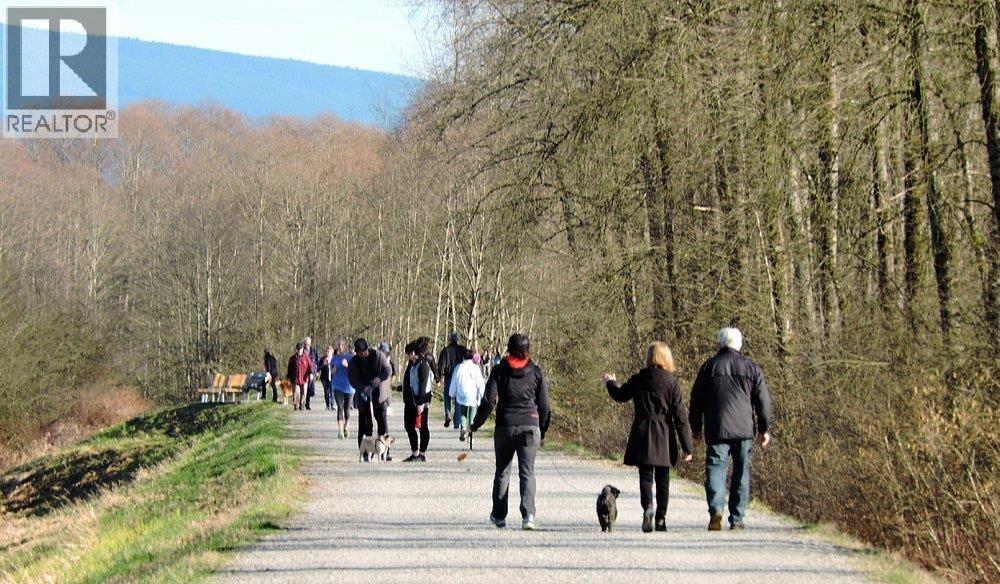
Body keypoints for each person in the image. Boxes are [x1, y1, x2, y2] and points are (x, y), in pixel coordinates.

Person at [603, 341, 694, 533]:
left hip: (643, 431)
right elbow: (680, 416)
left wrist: (611, 383)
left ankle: (648, 507)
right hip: (664, 433)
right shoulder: (671, 382)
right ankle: (660, 518)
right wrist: (687, 446)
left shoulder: (639, 379)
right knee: (663, 477)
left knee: (645, 475)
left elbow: (620, 395)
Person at [689, 327, 773, 531]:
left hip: (717, 428)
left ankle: (716, 510)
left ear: (720, 344)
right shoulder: (751, 367)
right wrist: (764, 429)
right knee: (741, 473)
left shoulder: (709, 366)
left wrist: (696, 429)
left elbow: (696, 399)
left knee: (715, 470)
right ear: (739, 345)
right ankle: (736, 519)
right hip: (744, 430)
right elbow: (763, 401)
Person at [470, 333, 551, 531]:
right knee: (527, 472)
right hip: (530, 426)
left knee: (502, 471)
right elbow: (544, 405)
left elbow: (488, 401)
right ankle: (528, 516)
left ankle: (499, 516)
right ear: (527, 350)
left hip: (505, 427)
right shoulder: (536, 372)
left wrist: (476, 424)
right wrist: (543, 430)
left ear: (509, 348)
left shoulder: (499, 370)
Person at [348, 338, 393, 460]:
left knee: (382, 422)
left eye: (365, 351)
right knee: (365, 424)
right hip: (364, 394)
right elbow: (352, 380)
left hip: (379, 394)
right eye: (360, 352)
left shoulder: (378, 355)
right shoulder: (353, 362)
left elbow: (388, 370)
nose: (363, 354)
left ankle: (385, 451)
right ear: (357, 352)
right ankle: (365, 453)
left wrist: (379, 378)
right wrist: (363, 388)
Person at [402, 339, 432, 461]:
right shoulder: (413, 365)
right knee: (408, 425)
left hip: (422, 401)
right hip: (411, 400)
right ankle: (415, 452)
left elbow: (423, 386)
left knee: (422, 427)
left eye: (408, 354)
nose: (407, 357)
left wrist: (420, 403)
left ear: (413, 353)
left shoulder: (423, 365)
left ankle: (422, 453)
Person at [450, 349, 486, 442]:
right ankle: (471, 432)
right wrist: (483, 395)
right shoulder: (475, 368)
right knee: (472, 413)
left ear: (463, 357)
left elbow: (454, 381)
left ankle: (463, 427)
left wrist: (451, 393)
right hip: (473, 395)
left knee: (463, 412)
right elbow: (480, 383)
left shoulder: (458, 367)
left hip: (461, 394)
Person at [437, 331, 468, 427]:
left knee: (447, 396)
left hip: (448, 377)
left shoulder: (445, 351)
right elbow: (470, 356)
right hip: (459, 378)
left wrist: (439, 378)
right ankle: (457, 422)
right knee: (458, 399)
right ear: (457, 340)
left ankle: (448, 413)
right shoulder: (461, 350)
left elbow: (441, 365)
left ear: (449, 340)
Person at [331, 337, 355, 439]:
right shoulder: (334, 358)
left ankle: (346, 426)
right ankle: (340, 431)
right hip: (337, 386)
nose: (340, 347)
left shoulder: (350, 357)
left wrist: (347, 365)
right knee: (340, 408)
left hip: (349, 387)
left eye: (342, 345)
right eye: (339, 345)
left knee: (346, 408)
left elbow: (354, 371)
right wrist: (333, 370)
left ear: (345, 347)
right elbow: (331, 371)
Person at [287, 343, 311, 411]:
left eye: (300, 349)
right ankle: (296, 406)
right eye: (298, 349)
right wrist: (288, 377)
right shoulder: (292, 358)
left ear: (302, 349)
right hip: (295, 379)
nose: (299, 351)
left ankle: (302, 405)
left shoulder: (306, 357)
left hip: (304, 378)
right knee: (296, 393)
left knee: (304, 393)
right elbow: (289, 368)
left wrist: (311, 373)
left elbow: (310, 366)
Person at [304, 336, 319, 410]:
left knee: (309, 388)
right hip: (303, 372)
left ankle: (307, 404)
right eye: (306, 344)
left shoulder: (313, 351)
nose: (307, 345)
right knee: (303, 388)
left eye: (308, 344)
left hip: (311, 372)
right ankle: (301, 403)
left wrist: (316, 371)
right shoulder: (302, 351)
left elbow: (316, 361)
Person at [319, 346, 336, 411]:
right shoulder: (323, 359)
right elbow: (318, 368)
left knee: (332, 391)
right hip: (324, 378)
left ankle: (332, 405)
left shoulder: (334, 359)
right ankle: (327, 405)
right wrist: (323, 365)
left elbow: (337, 367)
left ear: (332, 352)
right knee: (326, 392)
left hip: (332, 378)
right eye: (327, 351)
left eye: (329, 351)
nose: (327, 352)